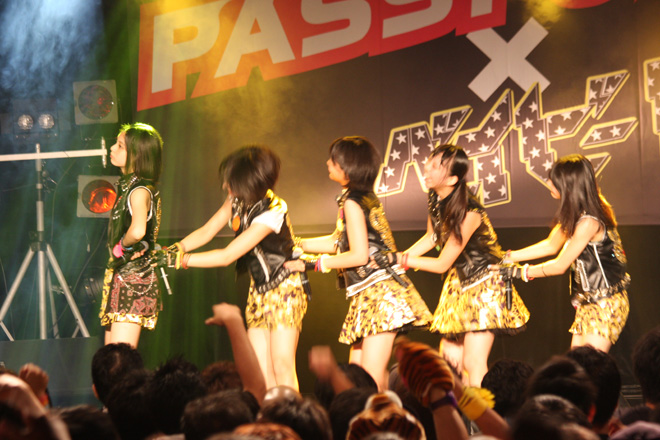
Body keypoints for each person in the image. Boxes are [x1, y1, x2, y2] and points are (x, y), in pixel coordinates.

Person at [286, 136, 432, 391]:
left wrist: (312, 265)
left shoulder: (353, 202)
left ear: (348, 167)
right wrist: (297, 243)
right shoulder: (358, 198)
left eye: (334, 160)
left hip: (381, 293)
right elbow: (339, 241)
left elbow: (359, 256)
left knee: (371, 377)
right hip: (370, 293)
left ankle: (384, 415)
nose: (328, 163)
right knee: (359, 377)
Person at [158, 145, 307, 390]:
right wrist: (176, 249)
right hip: (258, 291)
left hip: (285, 289)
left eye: (231, 181)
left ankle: (293, 414)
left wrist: (181, 260)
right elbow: (208, 230)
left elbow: (227, 256)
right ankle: (265, 414)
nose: (226, 186)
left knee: (281, 365)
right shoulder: (236, 200)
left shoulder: (273, 210)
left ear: (249, 182)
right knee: (258, 370)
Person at [398, 144, 529, 387]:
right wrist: (402, 259)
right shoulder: (436, 198)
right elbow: (433, 237)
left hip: (485, 284)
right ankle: (459, 410)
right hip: (459, 285)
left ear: (452, 179)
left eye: (435, 166)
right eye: (429, 162)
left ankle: (483, 411)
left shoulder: (470, 210)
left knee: (472, 361)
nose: (426, 169)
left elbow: (442, 263)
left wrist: (402, 260)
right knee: (450, 359)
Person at [498, 154, 630, 352]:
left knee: (588, 365)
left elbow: (560, 265)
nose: (549, 183)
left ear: (570, 186)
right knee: (577, 365)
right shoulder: (578, 214)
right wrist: (507, 257)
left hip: (606, 303)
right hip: (588, 303)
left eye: (555, 180)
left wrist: (520, 272)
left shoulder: (589, 222)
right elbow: (550, 245)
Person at [100, 122, 163, 348]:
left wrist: (122, 246)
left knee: (119, 359)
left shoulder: (139, 190)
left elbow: (138, 231)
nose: (112, 148)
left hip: (134, 280)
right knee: (110, 357)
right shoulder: (129, 187)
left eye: (120, 146)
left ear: (137, 155)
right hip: (123, 277)